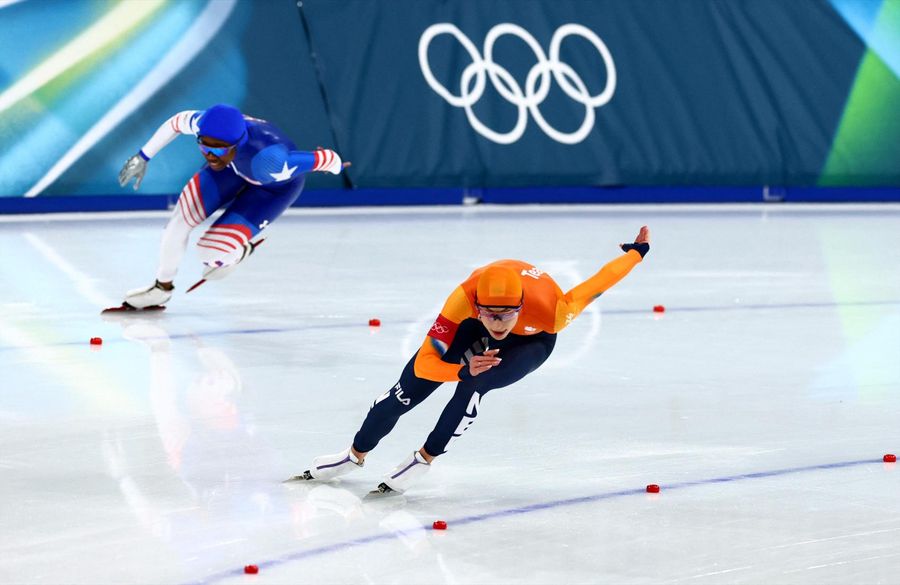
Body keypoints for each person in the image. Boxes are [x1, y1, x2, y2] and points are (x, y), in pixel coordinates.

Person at [292, 226, 651, 494]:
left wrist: (635, 253)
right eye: (490, 314)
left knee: (474, 386)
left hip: (532, 340)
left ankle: (424, 459)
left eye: (506, 315)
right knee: (405, 392)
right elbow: (424, 364)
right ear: (476, 306)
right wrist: (459, 368)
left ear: (521, 307)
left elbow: (599, 282)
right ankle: (354, 454)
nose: (499, 324)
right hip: (470, 329)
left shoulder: (553, 311)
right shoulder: (460, 301)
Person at [111, 104, 349, 311]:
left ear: (238, 142)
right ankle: (161, 288)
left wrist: (336, 164)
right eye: (204, 145)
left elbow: (326, 159)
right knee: (179, 222)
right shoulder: (204, 124)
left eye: (219, 148)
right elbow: (175, 122)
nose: (210, 155)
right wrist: (143, 157)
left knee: (209, 252)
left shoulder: (271, 161)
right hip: (231, 168)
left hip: (271, 190)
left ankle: (238, 252)